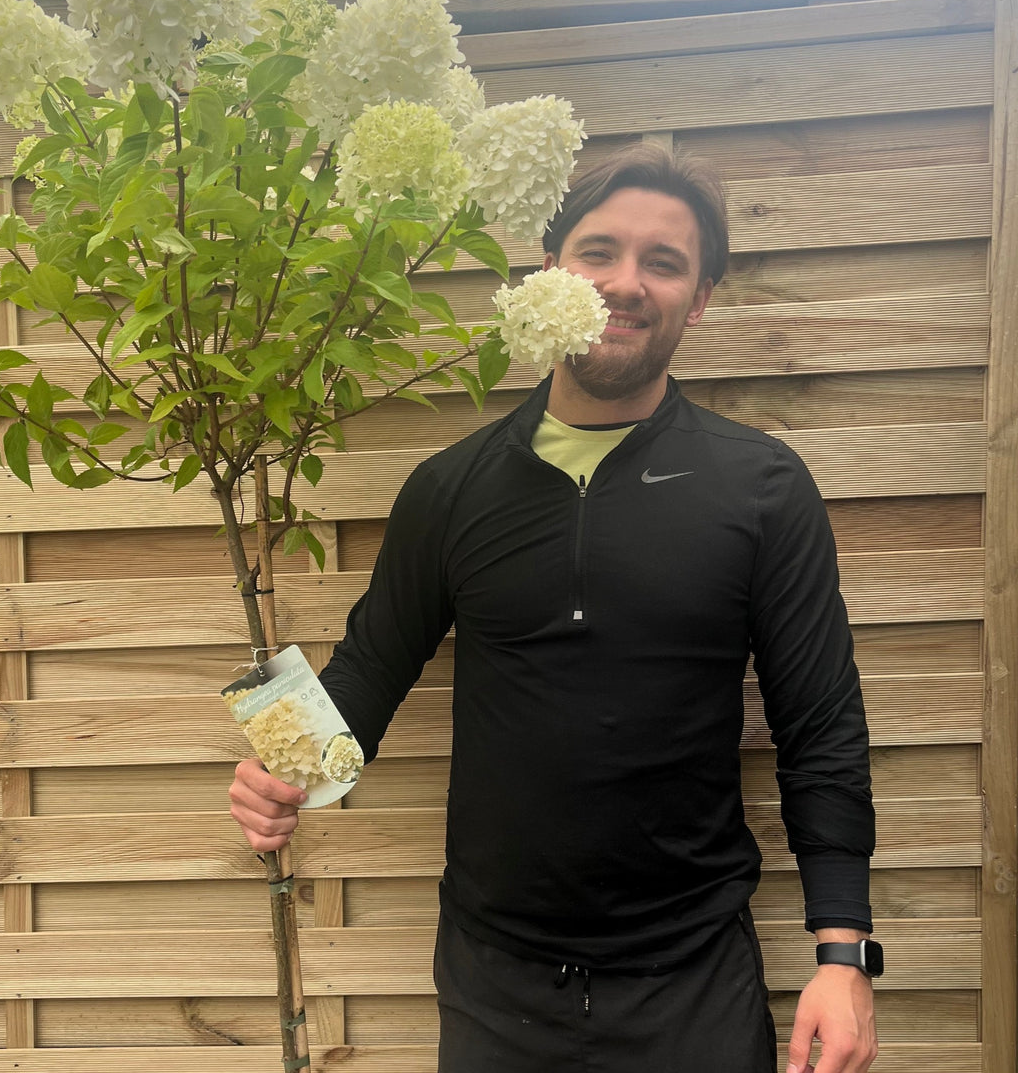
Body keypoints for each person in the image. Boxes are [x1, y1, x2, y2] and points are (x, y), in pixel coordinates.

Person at [230, 144, 879, 1073]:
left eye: (664, 263)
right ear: (549, 271)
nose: (626, 283)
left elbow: (820, 727)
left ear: (698, 298)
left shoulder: (762, 487)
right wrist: (277, 771)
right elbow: (371, 665)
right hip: (496, 984)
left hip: (690, 981)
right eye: (599, 252)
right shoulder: (451, 488)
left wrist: (843, 954)